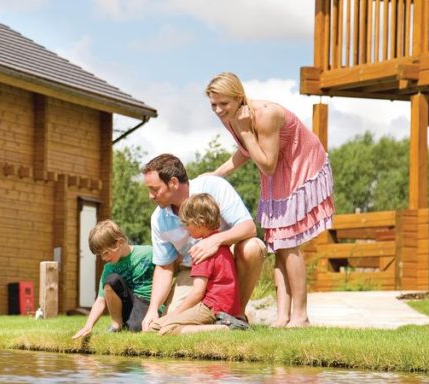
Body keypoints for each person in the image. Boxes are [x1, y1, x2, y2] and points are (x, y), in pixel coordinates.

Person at [205, 72, 335, 327]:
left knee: (289, 241)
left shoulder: (266, 114)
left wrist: (247, 133)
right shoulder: (231, 118)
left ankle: (301, 315)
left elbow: (267, 165)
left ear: (238, 97)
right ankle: (282, 316)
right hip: (277, 169)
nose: (219, 110)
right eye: (213, 105)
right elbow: (246, 151)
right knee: (277, 242)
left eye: (224, 104)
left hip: (300, 165)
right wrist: (215, 174)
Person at [140, 153, 266, 332]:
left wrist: (215, 240)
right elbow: (164, 267)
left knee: (252, 247)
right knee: (163, 325)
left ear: (173, 183)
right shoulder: (158, 219)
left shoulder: (213, 187)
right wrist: (153, 310)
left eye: (154, 189)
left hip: (224, 265)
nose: (150, 196)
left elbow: (248, 228)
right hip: (192, 271)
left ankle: (236, 316)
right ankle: (221, 326)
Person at [147, 194, 249, 335]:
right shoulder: (222, 244)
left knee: (166, 330)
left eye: (187, 224)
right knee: (153, 327)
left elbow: (197, 292)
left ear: (199, 222)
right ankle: (222, 325)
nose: (186, 229)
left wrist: (174, 315)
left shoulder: (202, 251)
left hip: (211, 308)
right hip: (225, 306)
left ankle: (226, 328)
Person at [72, 220, 155, 339]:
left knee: (136, 329)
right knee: (111, 280)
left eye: (106, 253)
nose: (104, 258)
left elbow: (168, 274)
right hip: (127, 306)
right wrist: (88, 326)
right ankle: (117, 325)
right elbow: (100, 301)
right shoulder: (109, 268)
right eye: (100, 255)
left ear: (119, 243)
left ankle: (131, 325)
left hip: (146, 303)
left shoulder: (148, 253)